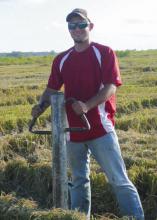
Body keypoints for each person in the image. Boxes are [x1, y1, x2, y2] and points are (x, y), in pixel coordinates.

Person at [31, 8, 144, 220]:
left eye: (81, 25)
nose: (77, 29)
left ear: (90, 27)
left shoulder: (104, 52)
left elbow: (111, 87)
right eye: (72, 26)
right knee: (79, 182)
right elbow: (51, 90)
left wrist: (87, 106)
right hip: (72, 132)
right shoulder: (61, 59)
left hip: (100, 129)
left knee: (118, 180)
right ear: (69, 30)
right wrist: (40, 106)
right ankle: (79, 217)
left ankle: (135, 217)